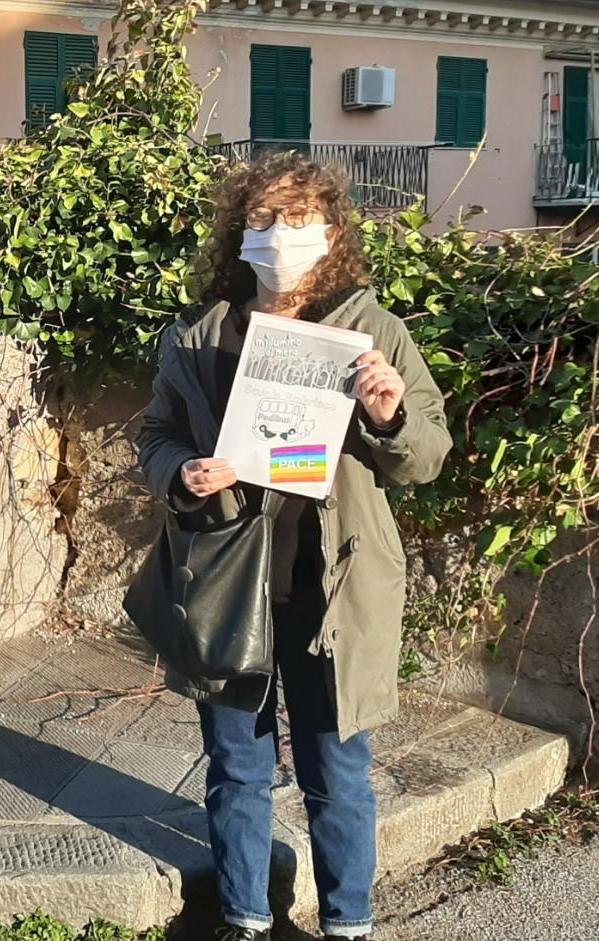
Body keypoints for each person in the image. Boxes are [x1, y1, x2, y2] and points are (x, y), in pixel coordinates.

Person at [135, 154, 452, 941]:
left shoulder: (374, 331)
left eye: (299, 219)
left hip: (333, 588)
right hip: (227, 583)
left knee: (336, 769)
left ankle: (348, 922)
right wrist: (182, 472)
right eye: (265, 219)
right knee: (236, 764)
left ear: (332, 233)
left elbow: (427, 457)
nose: (281, 236)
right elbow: (156, 434)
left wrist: (388, 415)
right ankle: (245, 915)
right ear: (240, 234)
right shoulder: (201, 334)